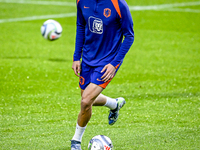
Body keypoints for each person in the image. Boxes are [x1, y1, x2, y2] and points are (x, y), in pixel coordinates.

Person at [71, 0, 134, 149]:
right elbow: (81, 26)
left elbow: (129, 36)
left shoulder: (119, 4)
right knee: (86, 97)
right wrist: (76, 57)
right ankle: (114, 104)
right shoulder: (81, 1)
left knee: (86, 101)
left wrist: (114, 64)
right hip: (87, 58)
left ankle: (75, 141)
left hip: (107, 62)